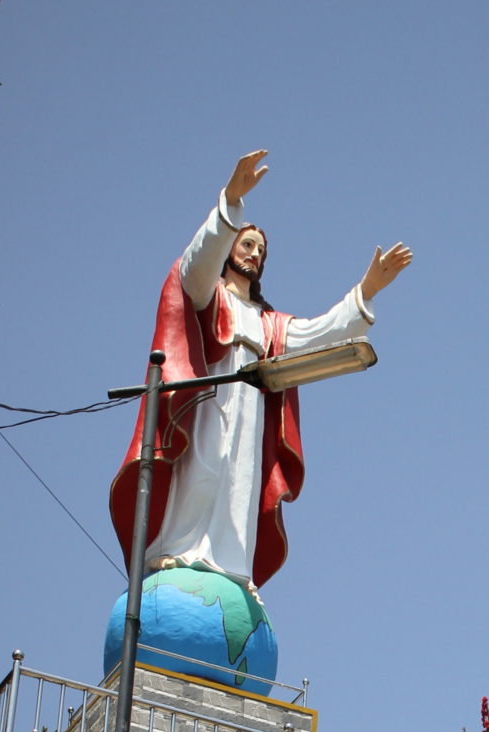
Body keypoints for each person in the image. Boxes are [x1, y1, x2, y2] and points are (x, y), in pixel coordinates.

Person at [110, 150, 412, 592]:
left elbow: (319, 335)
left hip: (251, 413)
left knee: (241, 480)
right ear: (230, 246)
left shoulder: (270, 323)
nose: (253, 253)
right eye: (247, 244)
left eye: (260, 250)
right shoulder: (209, 295)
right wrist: (230, 204)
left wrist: (366, 290)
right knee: (205, 467)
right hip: (207, 403)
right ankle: (179, 549)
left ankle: (233, 567)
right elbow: (194, 268)